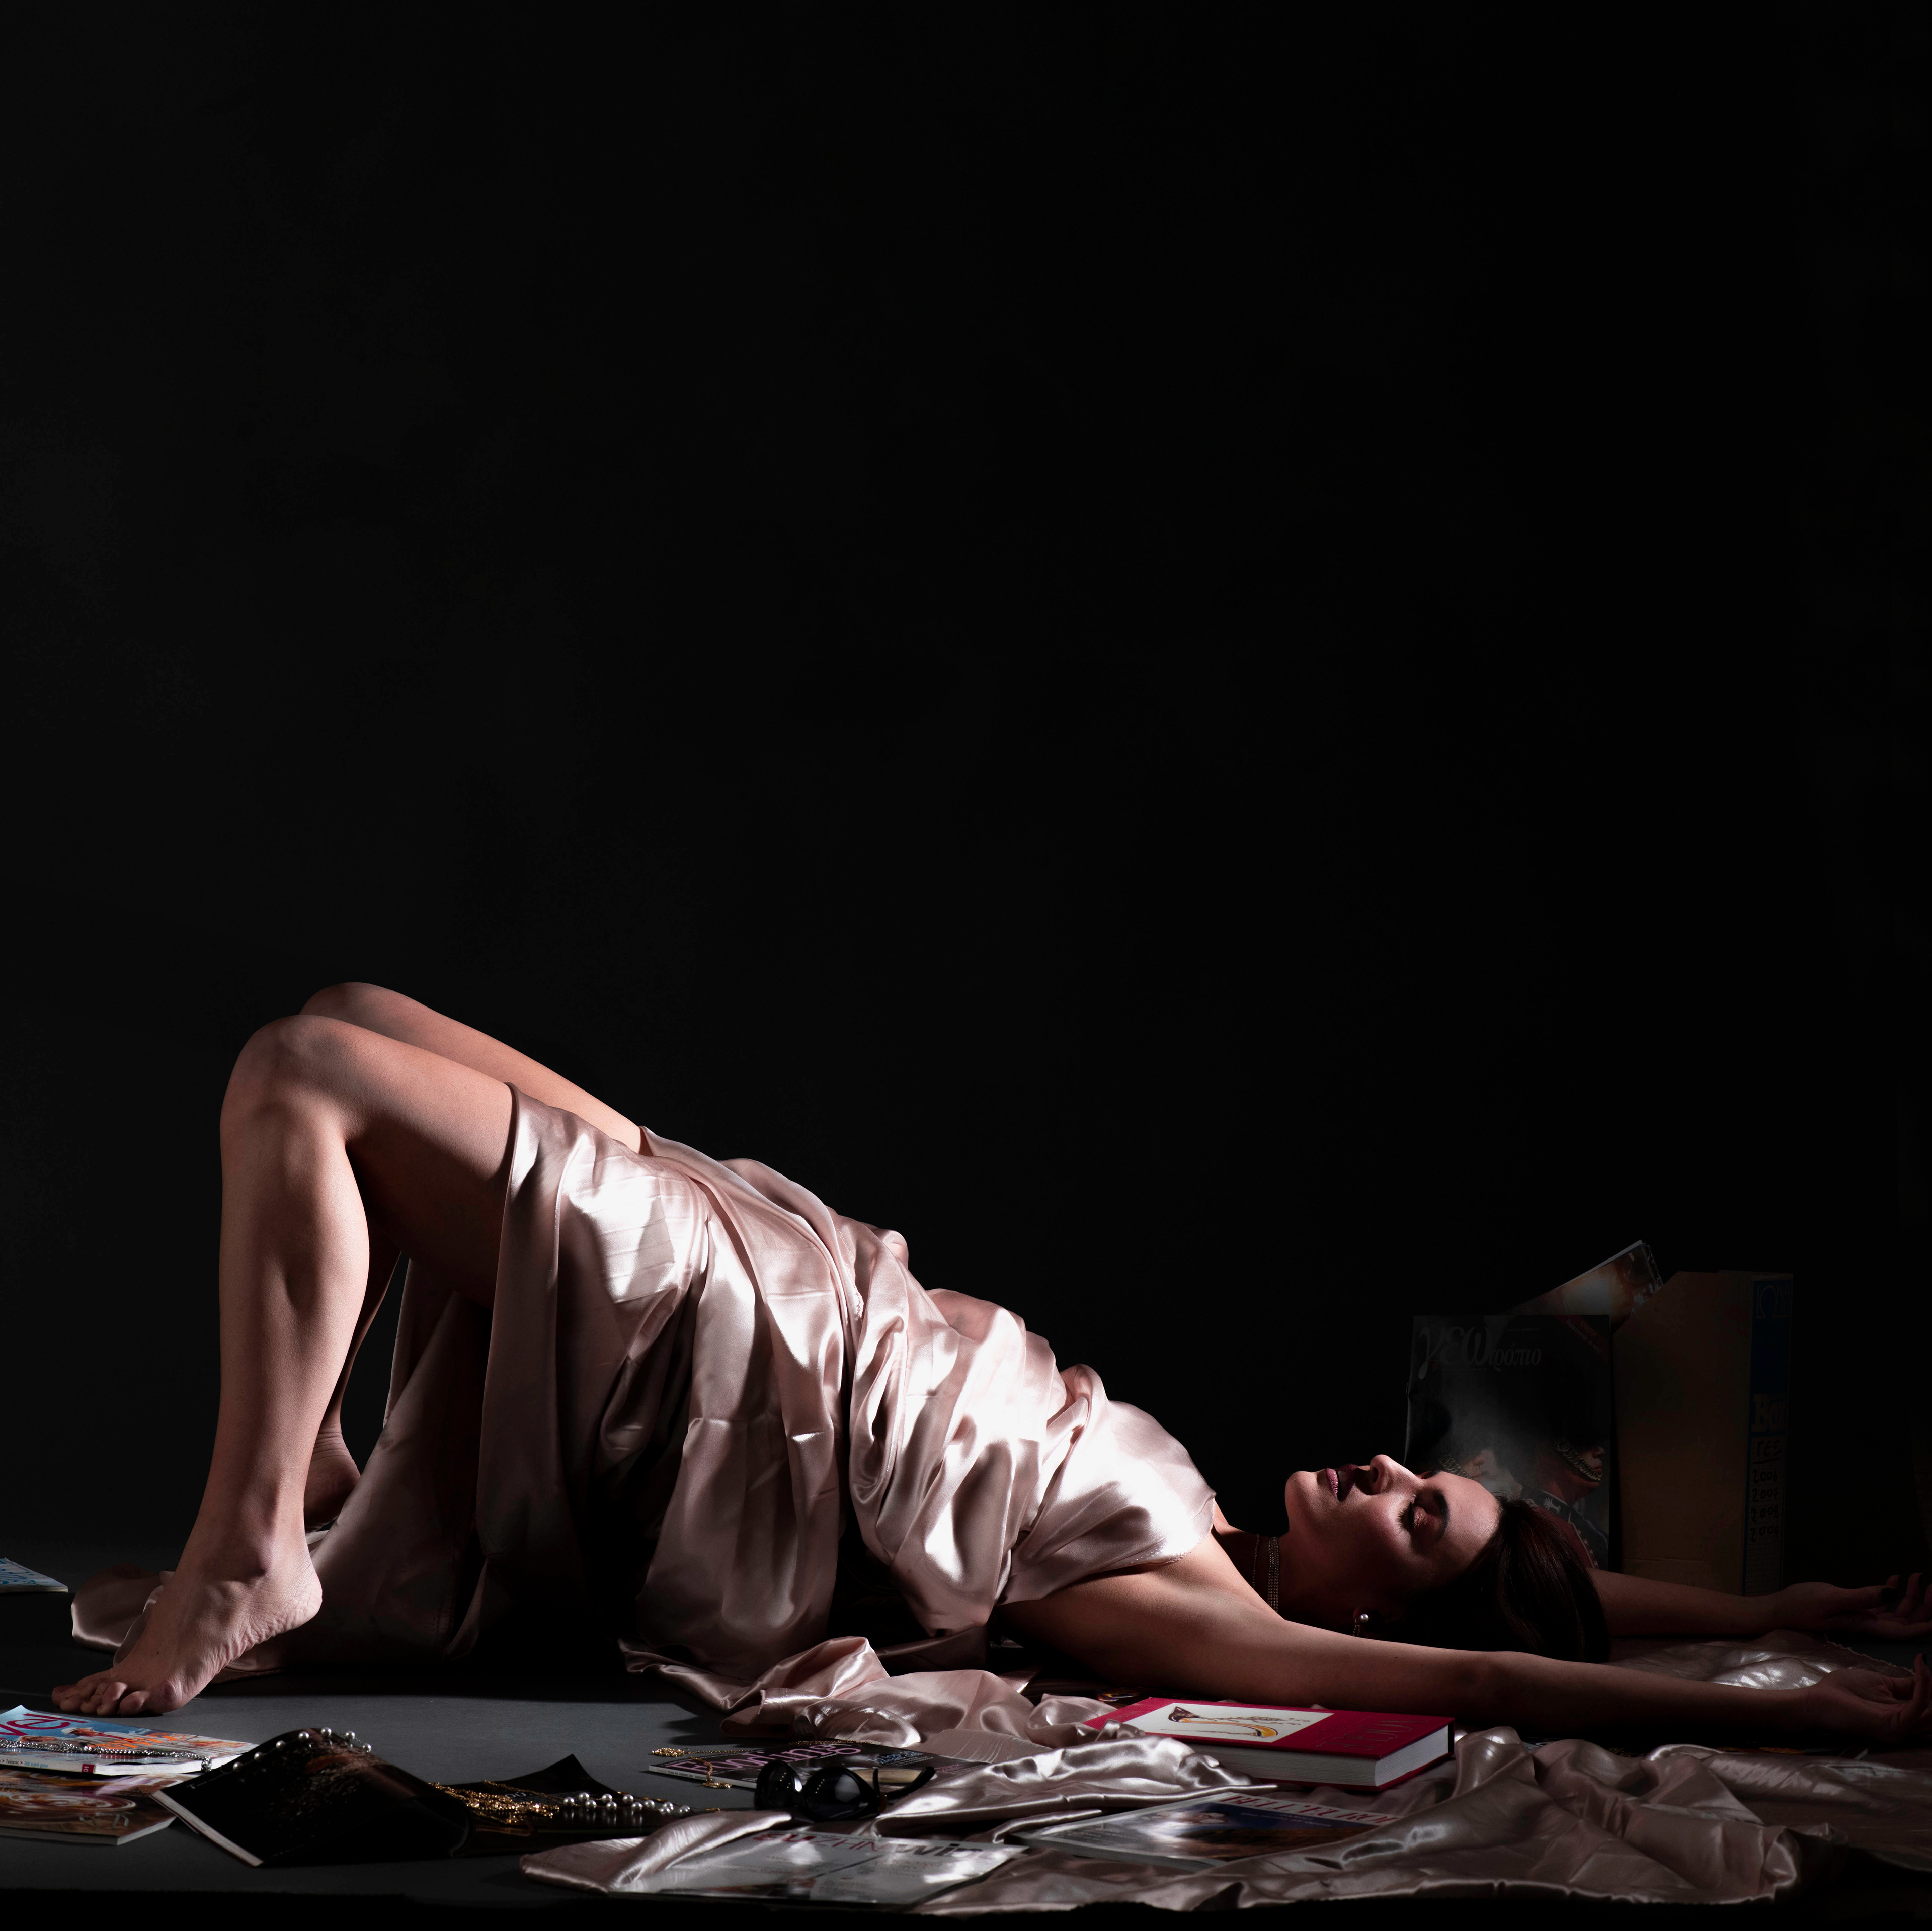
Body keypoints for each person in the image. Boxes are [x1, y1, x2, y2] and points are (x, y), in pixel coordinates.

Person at [53, 988, 1932, 1752]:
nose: (1382, 1472)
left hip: (754, 1381)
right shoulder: (1216, 1517)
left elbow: (1495, 1664)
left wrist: (1814, 1721)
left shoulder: (1200, 1618)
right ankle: (313, 1481)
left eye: (1411, 1517)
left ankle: (255, 1548)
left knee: (305, 1082)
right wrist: (1773, 1609)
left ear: (1369, 1612)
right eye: (1415, 1475)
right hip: (802, 1262)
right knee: (350, 1012)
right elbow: (1551, 1594)